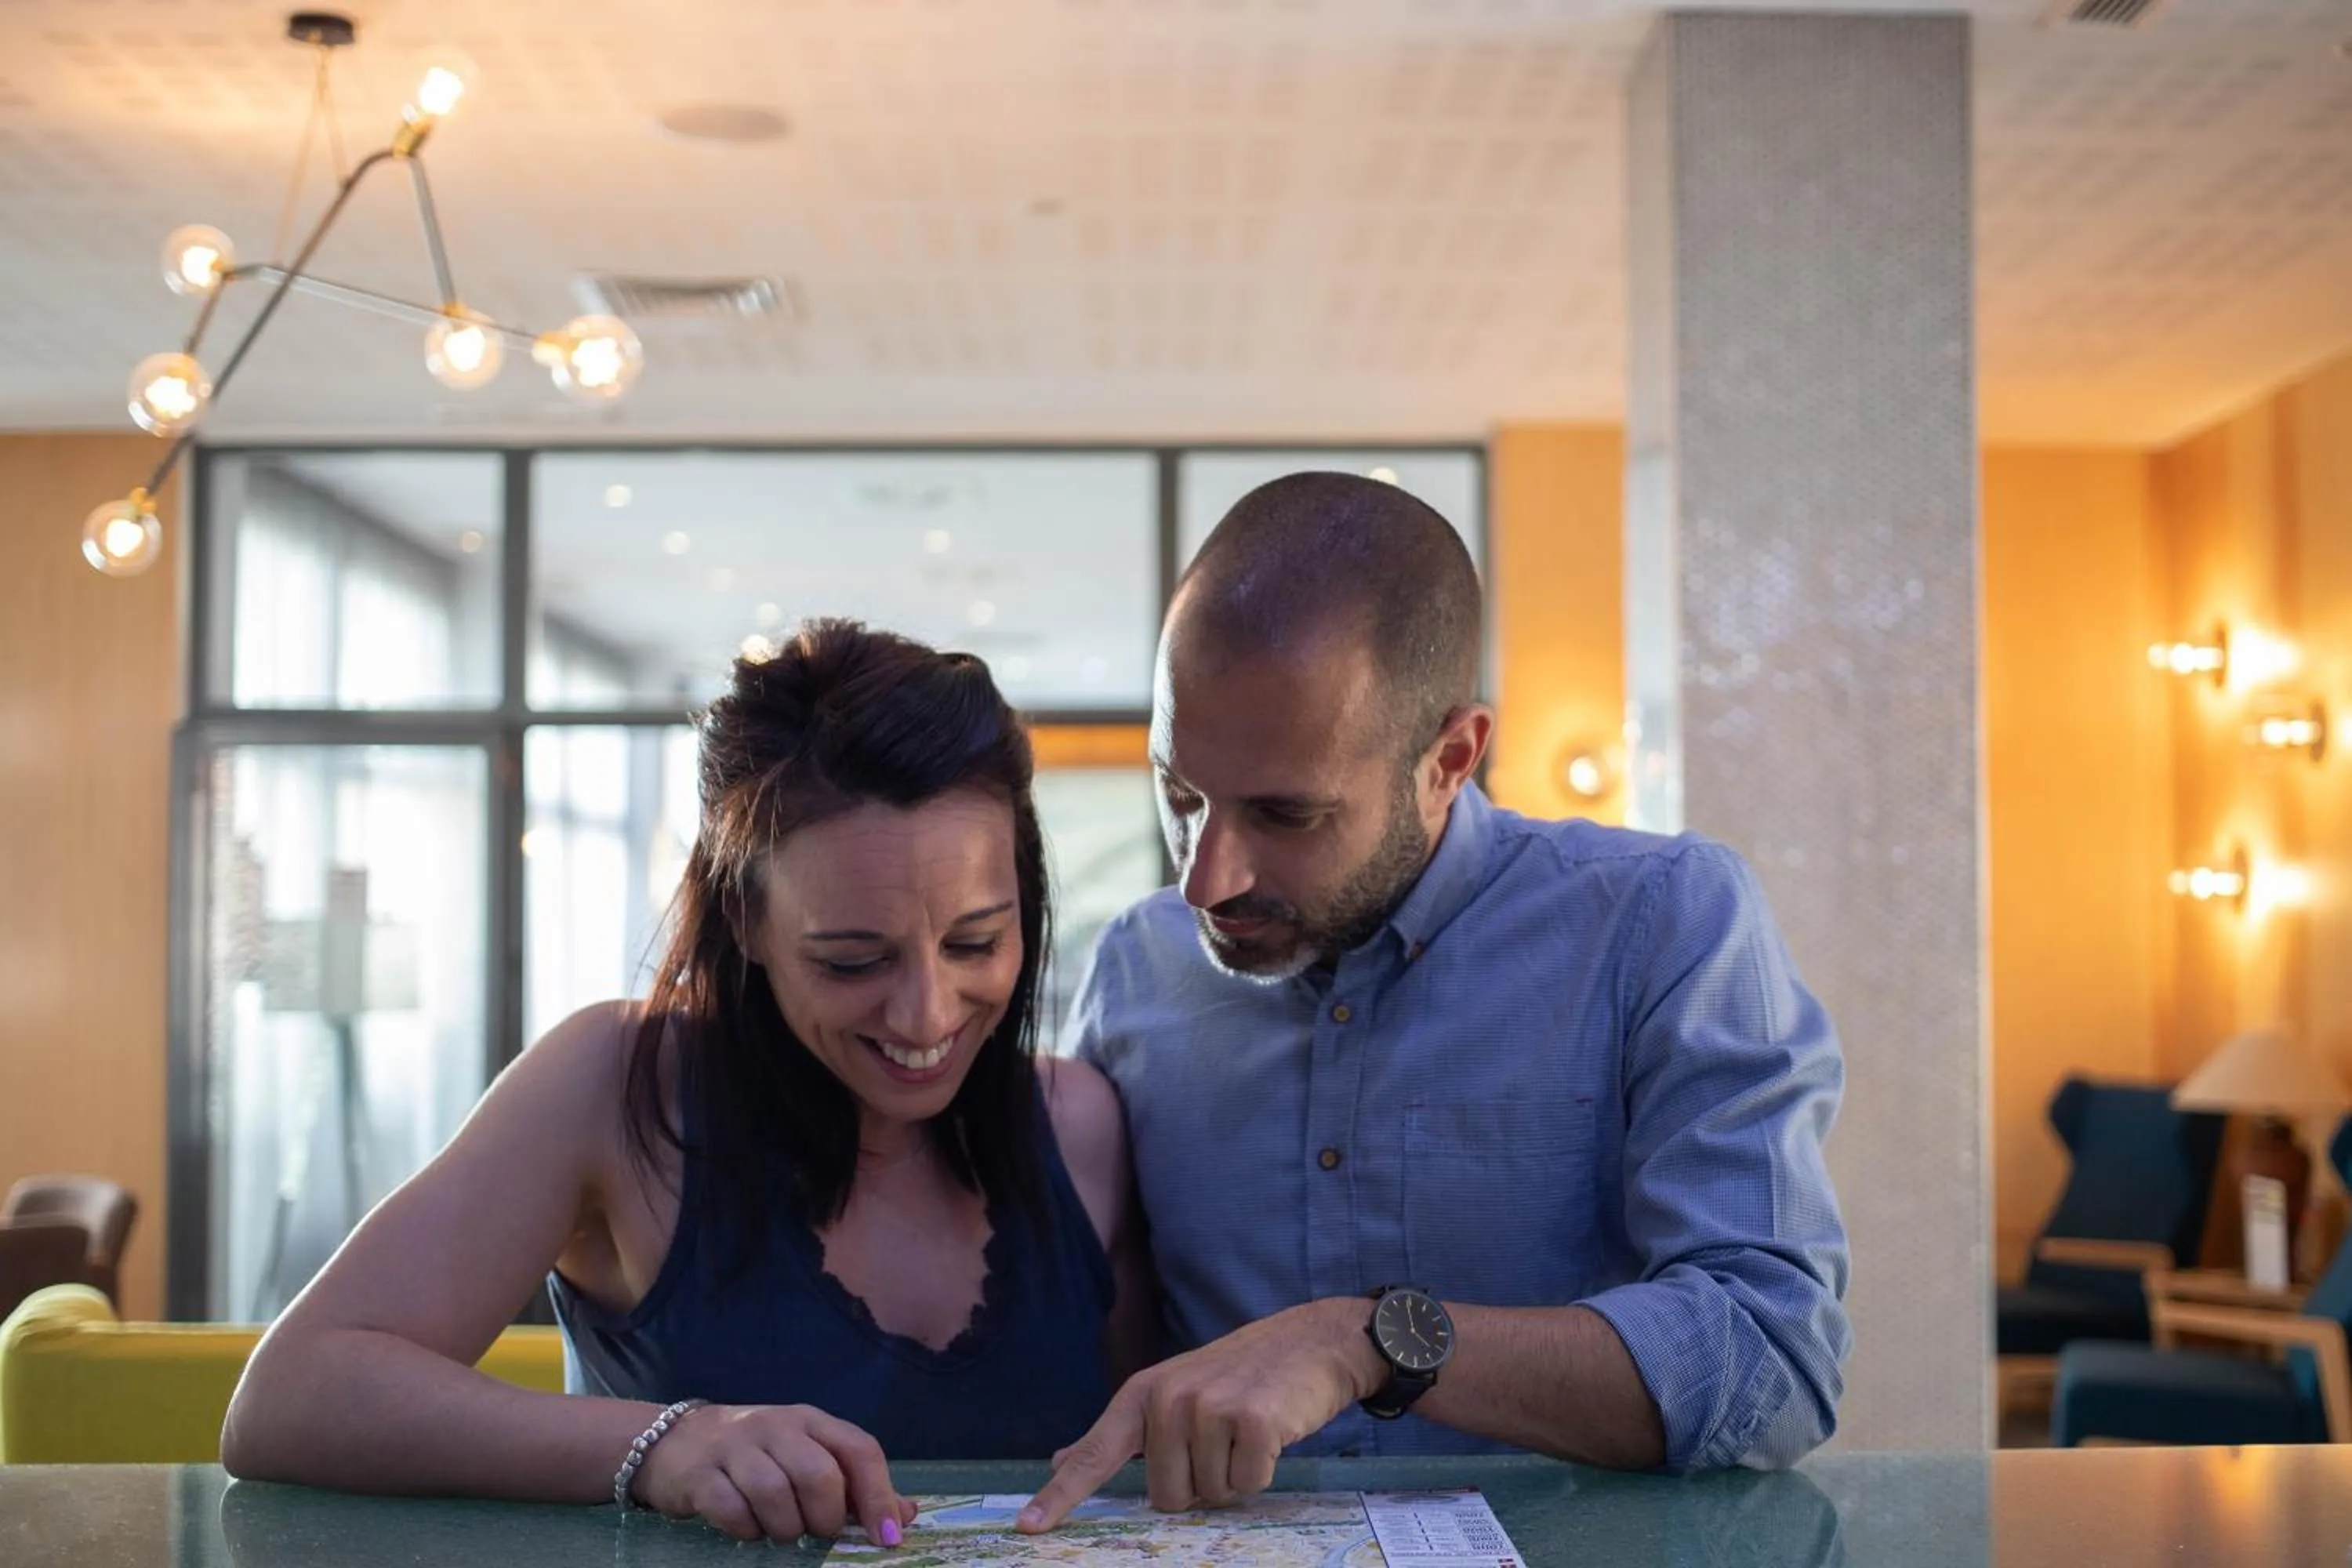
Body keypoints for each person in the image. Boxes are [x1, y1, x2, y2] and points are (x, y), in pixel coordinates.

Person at [1022, 471, 1849, 1532]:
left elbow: (1773, 1360)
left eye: (1287, 813)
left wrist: (1364, 1341)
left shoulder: (1662, 924)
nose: (1205, 879)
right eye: (1179, 794)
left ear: (1450, 758)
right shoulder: (1139, 964)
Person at [223, 621, 1152, 1544]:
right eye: (852, 959)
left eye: (975, 943)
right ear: (744, 919)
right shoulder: (617, 1086)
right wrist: (669, 1441)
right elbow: (290, 1398)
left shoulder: (1080, 1122)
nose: (926, 1015)